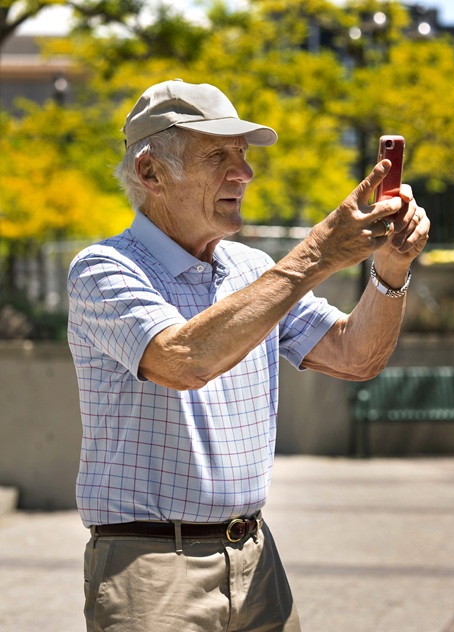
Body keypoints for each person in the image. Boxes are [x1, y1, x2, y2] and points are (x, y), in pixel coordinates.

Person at [66, 79, 430, 631]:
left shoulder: (253, 271)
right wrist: (316, 254)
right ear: (150, 173)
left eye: (242, 154)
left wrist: (392, 268)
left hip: (257, 558)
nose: (244, 172)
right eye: (218, 155)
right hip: (152, 571)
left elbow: (357, 357)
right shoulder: (103, 270)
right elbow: (182, 359)